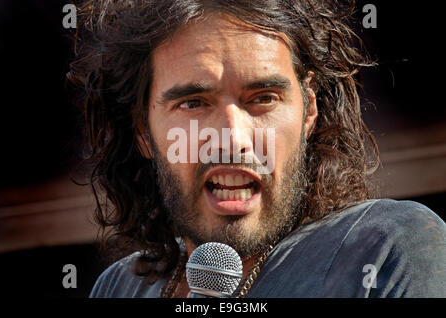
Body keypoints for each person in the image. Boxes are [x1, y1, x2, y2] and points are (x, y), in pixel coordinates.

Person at [68, 0, 445, 298]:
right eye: (193, 103)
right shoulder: (120, 286)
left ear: (309, 110)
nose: (233, 139)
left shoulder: (389, 248)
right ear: (143, 131)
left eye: (263, 98)